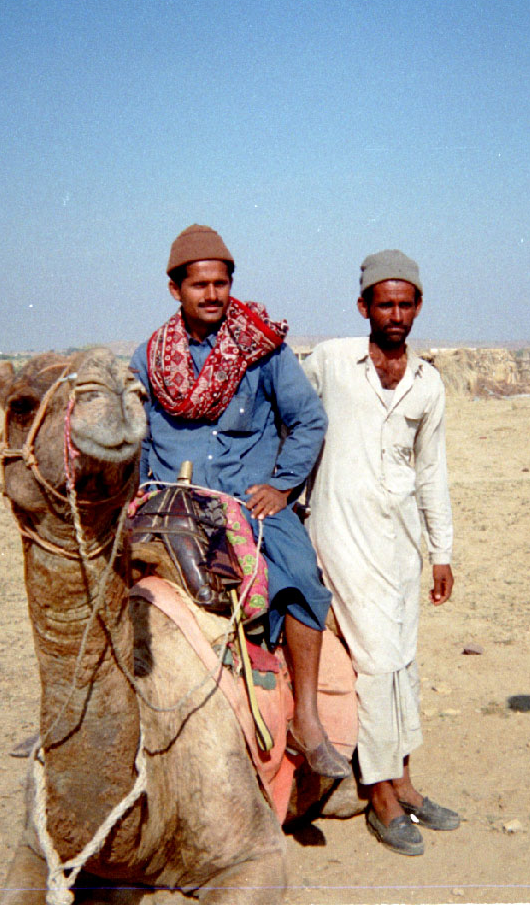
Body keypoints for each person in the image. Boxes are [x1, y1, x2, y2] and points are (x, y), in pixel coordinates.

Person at [130, 224, 351, 779]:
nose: (212, 295)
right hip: (171, 501)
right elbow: (134, 439)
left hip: (251, 506)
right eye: (199, 285)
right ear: (175, 289)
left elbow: (309, 420)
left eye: (221, 284)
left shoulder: (262, 349)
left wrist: (282, 485)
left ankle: (306, 719)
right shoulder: (148, 359)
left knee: (300, 574)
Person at [300, 249, 458, 856]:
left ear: (417, 307)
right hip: (340, 532)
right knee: (375, 660)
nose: (394, 314)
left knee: (404, 662)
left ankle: (408, 784)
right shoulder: (332, 362)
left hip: (401, 544)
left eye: (405, 303)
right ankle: (381, 797)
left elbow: (431, 472)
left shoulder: (428, 383)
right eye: (383, 303)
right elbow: (290, 415)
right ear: (363, 305)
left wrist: (441, 552)